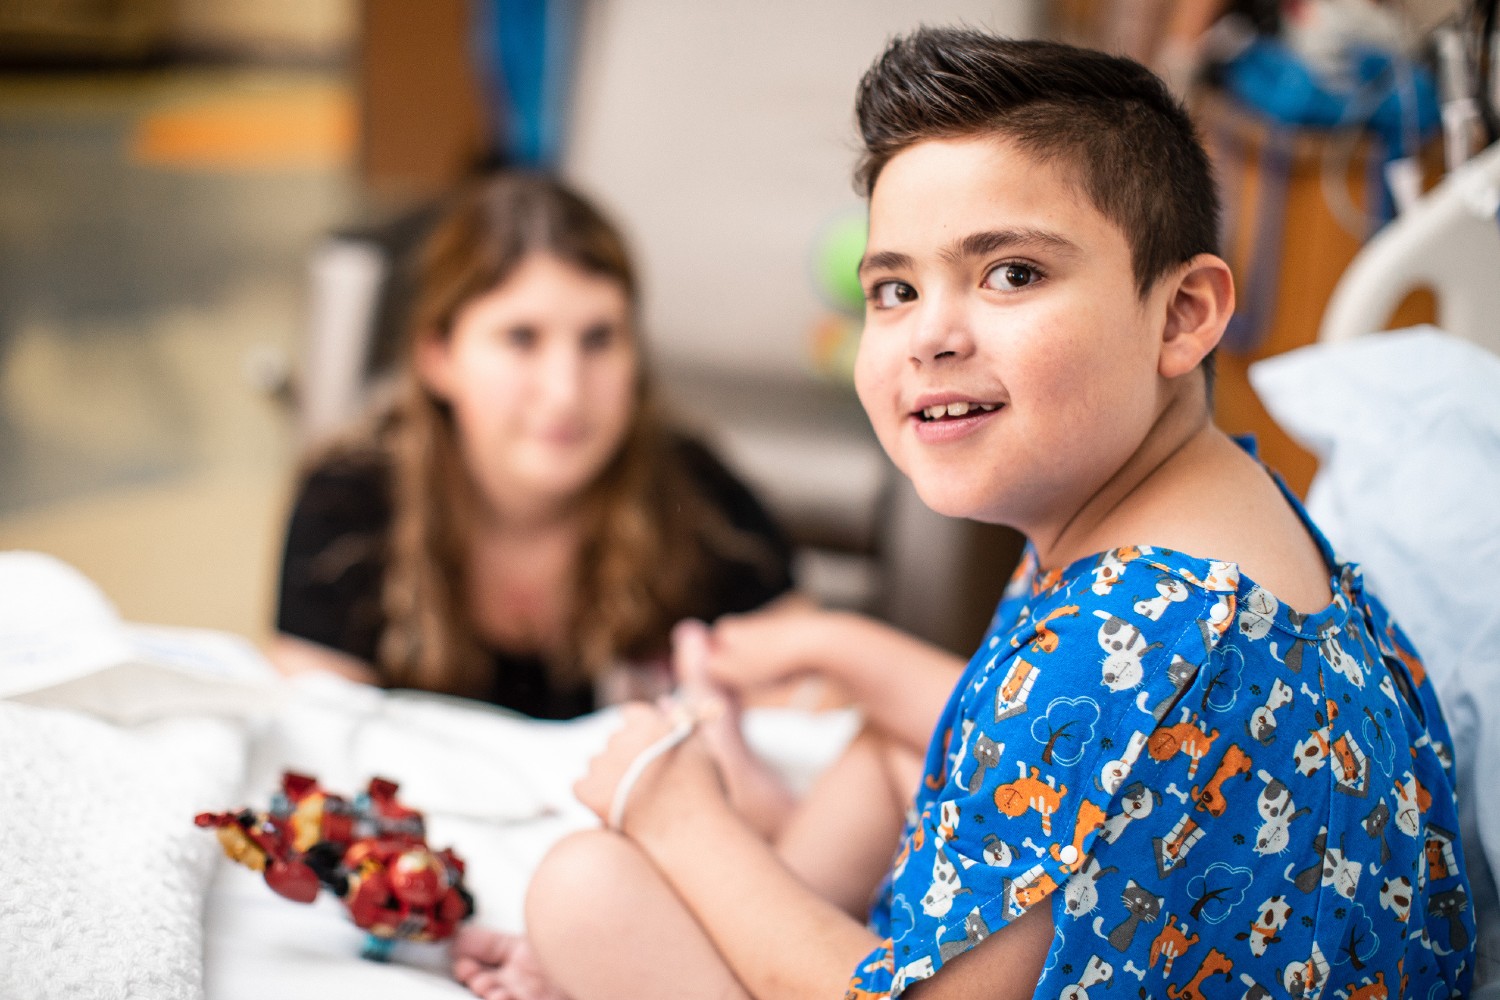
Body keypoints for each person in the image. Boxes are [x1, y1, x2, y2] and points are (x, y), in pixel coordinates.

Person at [453, 28, 1476, 1000]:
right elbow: (1062, 756)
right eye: (892, 289)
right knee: (894, 749)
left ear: (1183, 315)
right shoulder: (1216, 522)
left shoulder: (1131, 626)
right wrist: (841, 649)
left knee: (585, 883)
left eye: (1011, 273)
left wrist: (676, 817)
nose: (929, 335)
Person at [272, 172, 796, 719]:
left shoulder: (695, 493)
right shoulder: (349, 501)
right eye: (522, 338)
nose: (566, 392)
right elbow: (311, 745)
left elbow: (817, 712)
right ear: (438, 356)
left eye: (599, 339)